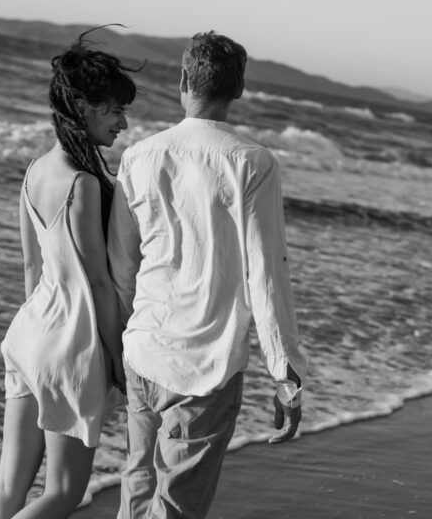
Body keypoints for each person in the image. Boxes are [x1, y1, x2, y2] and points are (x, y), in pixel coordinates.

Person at [108, 31, 306, 519]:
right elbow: (266, 275)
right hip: (205, 368)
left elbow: (122, 263)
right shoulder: (251, 162)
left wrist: (119, 343)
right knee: (175, 508)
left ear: (183, 80)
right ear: (237, 91)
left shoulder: (139, 155)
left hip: (144, 350)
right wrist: (285, 374)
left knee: (137, 490)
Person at [0, 37, 138, 519]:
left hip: (30, 334)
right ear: (84, 108)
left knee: (9, 485)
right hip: (72, 346)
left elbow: (32, 268)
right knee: (64, 493)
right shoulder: (84, 183)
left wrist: (41, 332)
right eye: (113, 110)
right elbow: (96, 283)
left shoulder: (34, 172)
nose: (123, 122)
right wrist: (118, 361)